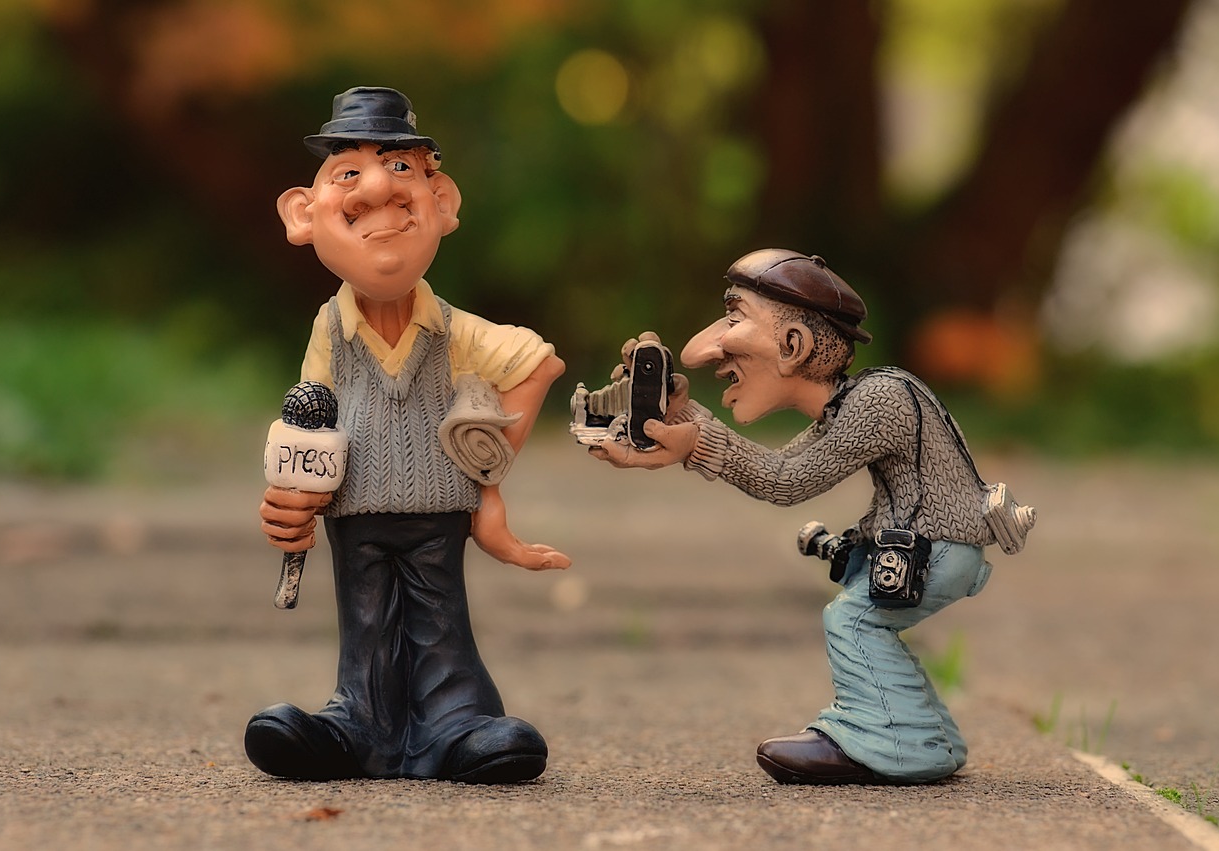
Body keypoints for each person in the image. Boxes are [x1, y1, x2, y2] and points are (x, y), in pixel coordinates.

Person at [590, 248, 1030, 785]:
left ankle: (889, 742)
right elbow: (779, 465)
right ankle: (929, 738)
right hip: (932, 545)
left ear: (793, 345)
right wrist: (683, 418)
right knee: (872, 626)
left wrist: (695, 443)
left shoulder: (879, 402)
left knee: (853, 621)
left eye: (733, 318)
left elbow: (786, 481)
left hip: (937, 548)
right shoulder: (858, 400)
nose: (703, 350)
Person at [247, 86, 569, 784]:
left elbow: (537, 363)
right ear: (303, 215)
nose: (378, 194)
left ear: (441, 203)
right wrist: (290, 497)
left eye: (401, 171)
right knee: (365, 624)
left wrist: (484, 474)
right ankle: (356, 726)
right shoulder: (330, 330)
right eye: (348, 176)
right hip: (354, 513)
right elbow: (309, 418)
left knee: (438, 618)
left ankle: (456, 723)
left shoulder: (454, 331)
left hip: (436, 514)